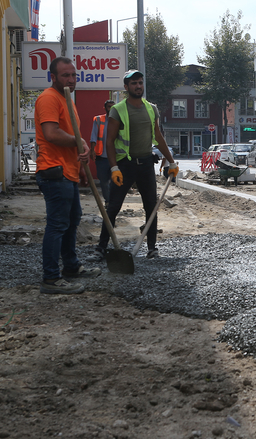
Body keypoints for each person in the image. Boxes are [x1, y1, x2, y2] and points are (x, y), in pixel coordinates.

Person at [94, 70, 178, 260]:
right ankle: (100, 248)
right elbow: (110, 141)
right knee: (113, 207)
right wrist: (114, 167)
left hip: (146, 164)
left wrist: (171, 162)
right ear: (126, 87)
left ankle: (152, 248)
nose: (138, 86)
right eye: (133, 83)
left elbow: (158, 137)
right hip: (125, 165)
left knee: (151, 206)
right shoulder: (118, 110)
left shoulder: (151, 109)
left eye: (140, 83)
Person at [34, 57, 100, 294]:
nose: (71, 80)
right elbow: (51, 134)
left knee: (72, 222)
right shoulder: (49, 98)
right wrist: (80, 141)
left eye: (73, 75)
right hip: (54, 172)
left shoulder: (67, 99)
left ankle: (71, 267)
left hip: (68, 172)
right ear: (53, 77)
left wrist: (80, 167)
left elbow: (70, 135)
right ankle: (50, 279)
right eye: (65, 76)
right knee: (58, 225)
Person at [90, 99, 115, 206]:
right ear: (105, 108)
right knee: (104, 182)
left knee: (114, 181)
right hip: (102, 157)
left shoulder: (118, 121)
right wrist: (92, 150)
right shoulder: (99, 120)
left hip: (115, 157)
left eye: (113, 107)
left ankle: (113, 201)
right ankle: (108, 201)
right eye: (109, 107)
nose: (111, 109)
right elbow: (93, 136)